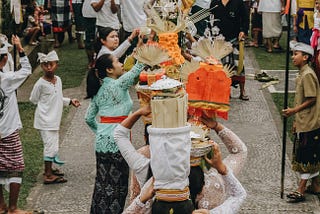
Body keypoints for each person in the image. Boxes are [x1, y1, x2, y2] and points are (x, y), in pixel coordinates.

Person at [114, 106, 247, 213]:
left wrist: (142, 199)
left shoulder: (148, 172)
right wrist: (216, 126)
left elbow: (119, 135)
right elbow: (240, 152)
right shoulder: (213, 182)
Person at [84, 53, 145, 213]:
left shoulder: (98, 91)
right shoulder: (118, 85)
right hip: (118, 143)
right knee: (118, 188)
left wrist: (102, 132)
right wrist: (145, 50)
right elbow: (138, 68)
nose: (121, 64)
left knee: (102, 186)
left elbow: (88, 118)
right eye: (117, 62)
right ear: (110, 69)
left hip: (101, 143)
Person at [29, 50, 81, 185]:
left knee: (53, 145)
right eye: (45, 65)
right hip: (44, 120)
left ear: (56, 64)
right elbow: (33, 99)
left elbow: (57, 97)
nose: (48, 67)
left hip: (54, 119)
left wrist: (69, 101)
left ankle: (50, 168)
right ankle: (47, 174)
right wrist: (45, 107)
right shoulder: (40, 83)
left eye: (51, 64)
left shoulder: (58, 80)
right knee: (50, 146)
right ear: (41, 66)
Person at [283, 41, 320, 203]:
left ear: (305, 57)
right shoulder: (302, 74)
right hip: (303, 120)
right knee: (310, 152)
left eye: (296, 54)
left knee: (306, 154)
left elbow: (312, 98)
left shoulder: (308, 75)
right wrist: (296, 120)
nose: (293, 57)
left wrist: (293, 111)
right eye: (292, 54)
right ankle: (316, 185)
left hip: (311, 121)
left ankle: (301, 188)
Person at [0, 35, 32, 214]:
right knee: (16, 167)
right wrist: (20, 47)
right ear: (5, 59)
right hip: (8, 130)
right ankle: (12, 207)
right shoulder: (7, 80)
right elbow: (27, 69)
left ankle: (1, 206)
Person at [210, 0, 250, 101]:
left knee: (239, 65)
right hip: (219, 40)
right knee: (222, 66)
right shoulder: (215, 2)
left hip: (235, 38)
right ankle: (225, 90)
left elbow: (245, 19)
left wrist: (243, 30)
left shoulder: (238, 2)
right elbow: (210, 19)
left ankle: (242, 91)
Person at [82, 0, 97, 69]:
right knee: (88, 39)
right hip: (88, 14)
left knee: (100, 39)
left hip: (103, 13)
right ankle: (90, 60)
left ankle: (98, 60)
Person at [311, 0, 320, 83]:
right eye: (316, 3)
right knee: (314, 57)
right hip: (315, 37)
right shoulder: (315, 14)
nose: (317, 5)